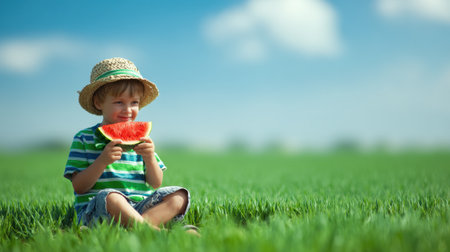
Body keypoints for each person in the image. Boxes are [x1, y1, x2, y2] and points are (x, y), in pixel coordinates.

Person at [64, 57, 194, 232]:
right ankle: (158, 233)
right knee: (111, 197)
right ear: (98, 103)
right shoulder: (84, 138)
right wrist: (102, 161)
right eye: (119, 102)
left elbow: (155, 182)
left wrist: (149, 158)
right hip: (100, 210)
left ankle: (140, 228)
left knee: (180, 196)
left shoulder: (141, 141)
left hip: (139, 209)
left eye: (134, 103)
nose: (128, 110)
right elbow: (79, 187)